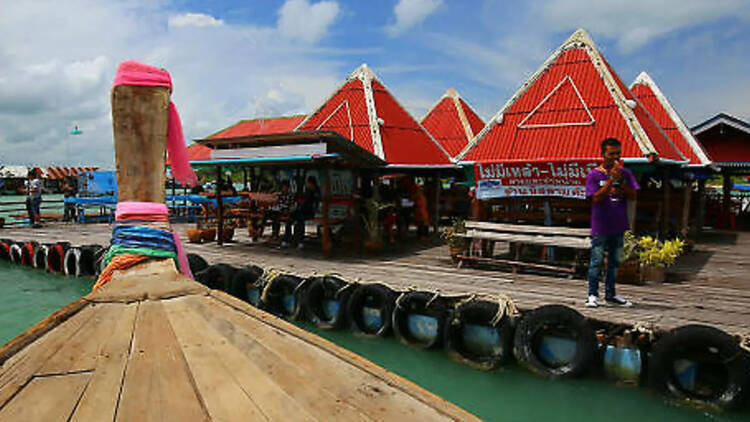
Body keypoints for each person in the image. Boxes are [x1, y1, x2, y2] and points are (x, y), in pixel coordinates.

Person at [585, 138, 639, 308]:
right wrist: (610, 181)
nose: (615, 157)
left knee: (615, 263)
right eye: (611, 154)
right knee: (596, 261)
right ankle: (592, 294)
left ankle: (611, 294)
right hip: (601, 226)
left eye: (618, 154)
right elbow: (595, 198)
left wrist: (621, 182)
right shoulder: (594, 175)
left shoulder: (626, 173)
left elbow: (634, 195)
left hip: (618, 224)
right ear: (603, 155)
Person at [292, 176, 320, 249]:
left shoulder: (316, 192)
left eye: (307, 183)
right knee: (293, 219)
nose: (306, 184)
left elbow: (312, 204)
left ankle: (300, 241)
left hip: (310, 212)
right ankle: (292, 239)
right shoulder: (307, 190)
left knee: (300, 221)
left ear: (311, 183)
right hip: (303, 211)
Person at [269, 180, 294, 247]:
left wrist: (287, 209)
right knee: (275, 216)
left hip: (287, 211)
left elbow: (291, 205)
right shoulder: (279, 195)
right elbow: (276, 203)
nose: (284, 188)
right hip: (278, 211)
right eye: (283, 187)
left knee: (287, 220)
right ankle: (275, 234)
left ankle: (286, 238)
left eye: (286, 187)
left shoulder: (290, 195)